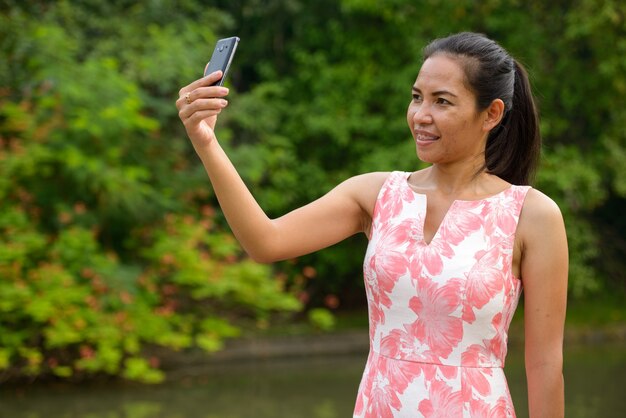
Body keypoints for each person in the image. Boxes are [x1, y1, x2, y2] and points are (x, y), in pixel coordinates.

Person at [176, 32, 568, 418]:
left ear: (492, 114)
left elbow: (545, 366)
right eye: (417, 98)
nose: (420, 115)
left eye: (442, 101)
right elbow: (266, 241)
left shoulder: (532, 215)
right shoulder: (377, 194)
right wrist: (206, 142)